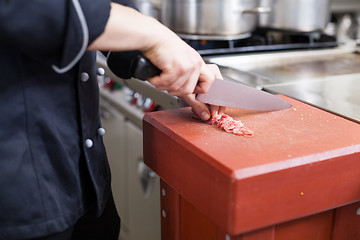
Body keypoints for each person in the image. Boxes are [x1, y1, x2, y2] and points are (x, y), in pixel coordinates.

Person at [0, 0, 225, 239]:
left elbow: (105, 9)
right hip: (19, 194)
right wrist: (155, 35)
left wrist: (169, 64)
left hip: (86, 179)